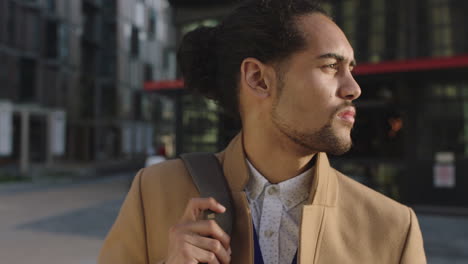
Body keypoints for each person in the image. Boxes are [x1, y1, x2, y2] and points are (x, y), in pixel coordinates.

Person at [98, 0, 426, 263]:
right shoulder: (153, 193)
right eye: (330, 66)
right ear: (258, 79)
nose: (353, 88)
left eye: (351, 69)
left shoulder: (394, 228)